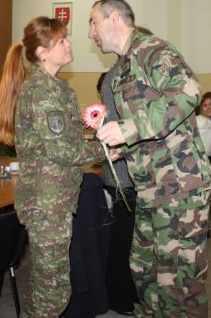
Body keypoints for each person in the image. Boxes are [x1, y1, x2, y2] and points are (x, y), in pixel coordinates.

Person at [89, 0, 211, 317]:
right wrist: (125, 145)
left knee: (179, 285)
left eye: (93, 23)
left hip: (178, 188)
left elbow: (188, 90)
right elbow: (151, 126)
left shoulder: (151, 50)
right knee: (145, 273)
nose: (90, 33)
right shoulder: (122, 68)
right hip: (149, 188)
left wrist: (129, 128)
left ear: (114, 18)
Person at [0, 16, 105, 317]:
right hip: (46, 203)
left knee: (47, 283)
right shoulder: (42, 90)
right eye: (61, 41)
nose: (69, 45)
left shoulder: (57, 88)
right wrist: (106, 149)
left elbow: (65, 140)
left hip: (56, 199)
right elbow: (62, 150)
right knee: (53, 289)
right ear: (42, 52)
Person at [96, 71, 139, 315]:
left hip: (131, 183)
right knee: (121, 244)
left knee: (132, 244)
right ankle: (118, 297)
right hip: (120, 183)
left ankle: (130, 292)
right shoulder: (108, 115)